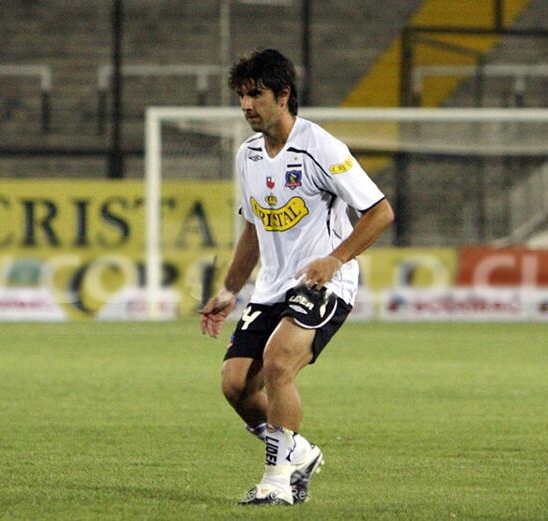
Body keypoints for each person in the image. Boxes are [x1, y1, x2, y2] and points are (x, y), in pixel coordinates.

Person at [200, 49, 394, 506]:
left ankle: (277, 482)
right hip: (272, 287)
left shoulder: (319, 147)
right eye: (242, 96)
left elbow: (379, 211)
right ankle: (299, 453)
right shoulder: (247, 155)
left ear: (283, 95)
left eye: (256, 95)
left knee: (279, 363)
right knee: (235, 385)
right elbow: (253, 227)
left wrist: (335, 259)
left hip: (324, 283)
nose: (246, 105)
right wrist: (229, 289)